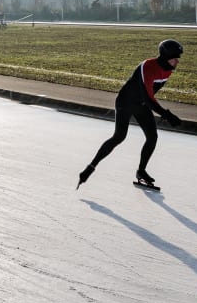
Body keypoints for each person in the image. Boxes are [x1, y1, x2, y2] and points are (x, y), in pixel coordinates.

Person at [77, 39, 184, 190]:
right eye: (175, 59)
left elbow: (149, 96)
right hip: (125, 102)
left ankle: (141, 171)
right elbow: (148, 96)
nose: (177, 62)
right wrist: (166, 114)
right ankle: (90, 167)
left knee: (152, 137)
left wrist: (164, 114)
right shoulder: (148, 67)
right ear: (166, 57)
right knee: (119, 137)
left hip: (141, 105)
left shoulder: (168, 69)